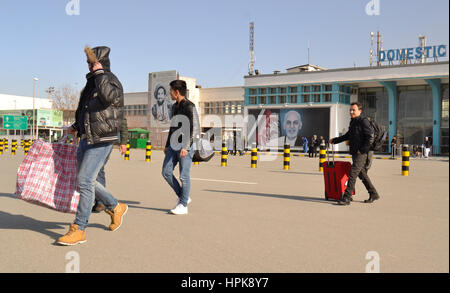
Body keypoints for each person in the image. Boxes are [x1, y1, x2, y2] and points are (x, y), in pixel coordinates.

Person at [57, 46, 128, 246]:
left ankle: (79, 228)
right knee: (85, 181)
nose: (89, 66)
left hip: (103, 139)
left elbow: (108, 99)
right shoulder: (91, 82)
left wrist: (99, 73)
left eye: (92, 62)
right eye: (88, 63)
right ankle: (115, 206)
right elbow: (86, 111)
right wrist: (75, 126)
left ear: (101, 62)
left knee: (85, 181)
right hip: (87, 137)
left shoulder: (110, 80)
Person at [329, 102, 380, 205]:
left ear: (359, 111)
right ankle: (373, 193)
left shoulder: (363, 121)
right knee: (362, 174)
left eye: (354, 110)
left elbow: (370, 137)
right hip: (355, 152)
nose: (351, 112)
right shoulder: (353, 122)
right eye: (350, 110)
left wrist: (362, 150)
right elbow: (347, 136)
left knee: (352, 173)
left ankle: (346, 197)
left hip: (361, 153)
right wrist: (334, 140)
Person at [162, 80, 200, 215]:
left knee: (183, 176)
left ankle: (183, 205)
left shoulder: (190, 106)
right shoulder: (174, 107)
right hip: (173, 144)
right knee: (166, 172)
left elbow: (195, 128)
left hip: (186, 145)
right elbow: (173, 127)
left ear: (176, 92)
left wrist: (187, 146)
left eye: (170, 91)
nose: (170, 93)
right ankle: (184, 197)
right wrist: (167, 145)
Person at [92, 117, 129, 213]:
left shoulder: (112, 102)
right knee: (89, 172)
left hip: (106, 140)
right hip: (90, 139)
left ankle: (103, 202)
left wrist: (123, 142)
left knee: (97, 169)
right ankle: (98, 201)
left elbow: (122, 122)